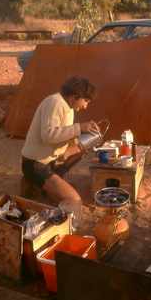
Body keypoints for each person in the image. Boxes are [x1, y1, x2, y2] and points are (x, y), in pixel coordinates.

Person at [21, 76, 98, 204]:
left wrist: (83, 140)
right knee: (73, 199)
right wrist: (79, 127)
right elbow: (49, 135)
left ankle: (52, 181)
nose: (85, 106)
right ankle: (43, 183)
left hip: (50, 160)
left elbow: (64, 133)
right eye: (86, 101)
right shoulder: (55, 102)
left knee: (80, 150)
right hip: (36, 164)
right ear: (74, 96)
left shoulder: (69, 107)